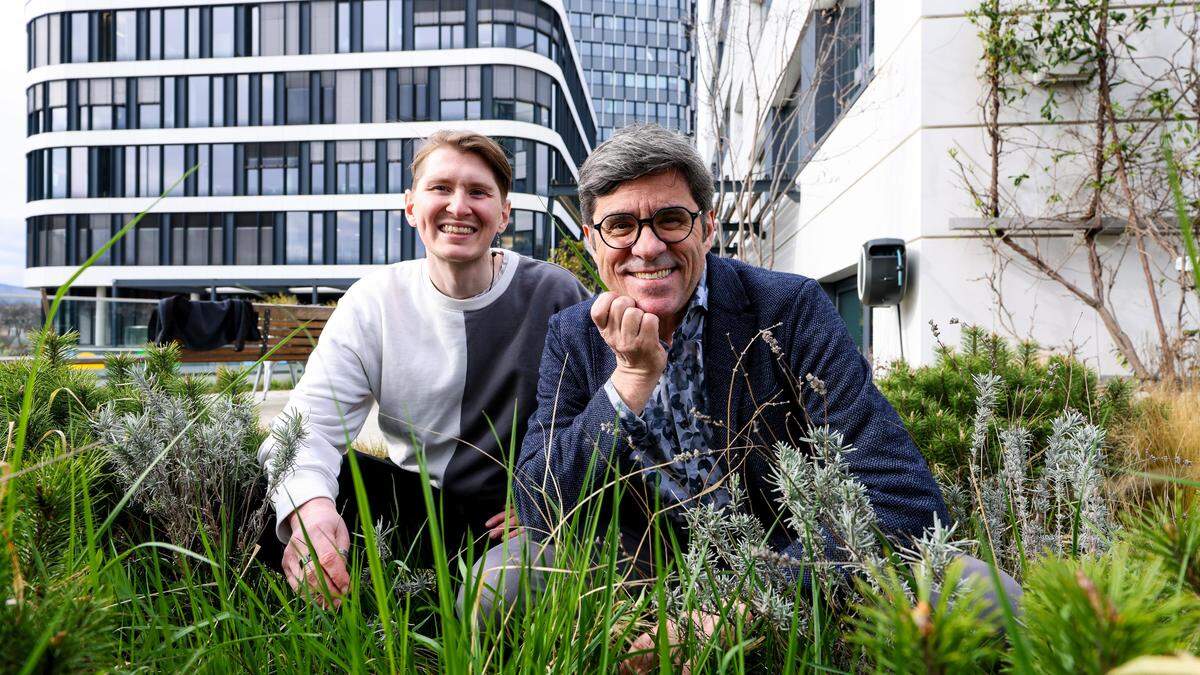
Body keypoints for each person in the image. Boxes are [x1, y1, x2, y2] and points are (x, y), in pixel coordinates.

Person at [475, 124, 1016, 657]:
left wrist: (750, 600)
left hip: (794, 573)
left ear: (707, 227)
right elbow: (541, 502)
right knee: (500, 581)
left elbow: (901, 497)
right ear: (592, 242)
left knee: (989, 600)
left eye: (670, 220)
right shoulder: (574, 333)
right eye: (620, 225)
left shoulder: (789, 310)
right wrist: (629, 380)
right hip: (632, 581)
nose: (647, 246)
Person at [257, 130, 589, 607]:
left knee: (499, 592)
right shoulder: (375, 301)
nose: (459, 206)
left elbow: (603, 414)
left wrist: (551, 497)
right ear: (411, 206)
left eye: (478, 192)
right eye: (441, 189)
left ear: (504, 213)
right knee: (279, 490)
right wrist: (311, 511)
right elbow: (307, 427)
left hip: (517, 513)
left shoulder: (555, 293)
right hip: (421, 505)